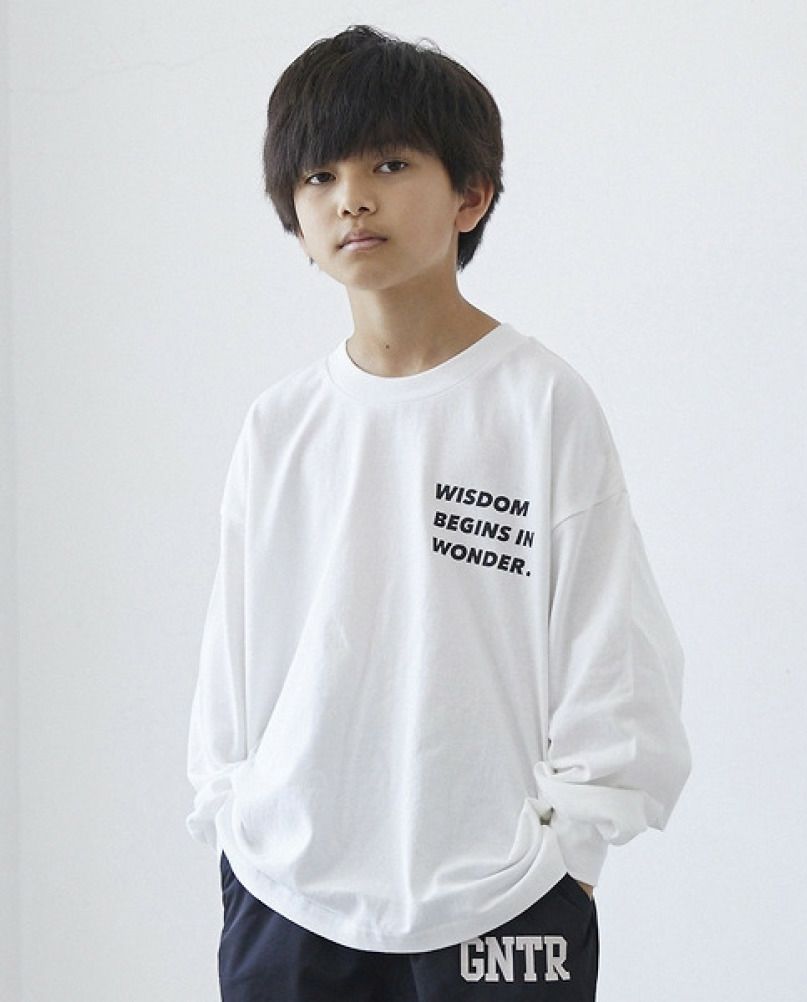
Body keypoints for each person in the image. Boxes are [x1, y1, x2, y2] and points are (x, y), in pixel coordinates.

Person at [186, 23, 692, 1002]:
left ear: (471, 194)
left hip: (502, 902)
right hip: (287, 894)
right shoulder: (281, 425)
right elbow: (233, 661)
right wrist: (233, 817)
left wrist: (574, 855)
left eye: (388, 163)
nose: (352, 198)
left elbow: (611, 646)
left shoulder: (540, 405)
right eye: (319, 176)